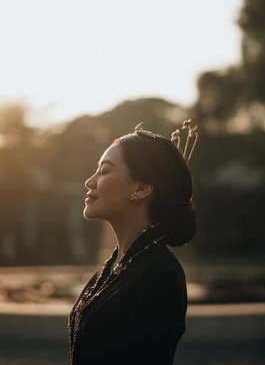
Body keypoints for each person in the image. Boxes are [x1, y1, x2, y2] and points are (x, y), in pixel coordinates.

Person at [68, 120, 197, 365]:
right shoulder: (119, 264)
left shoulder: (158, 276)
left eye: (104, 171)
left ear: (142, 188)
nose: (90, 181)